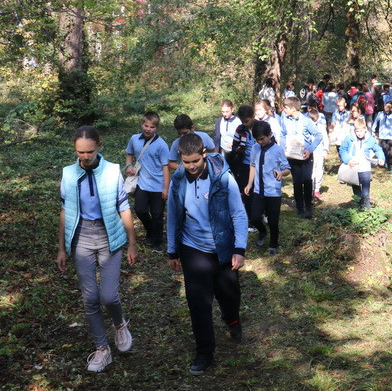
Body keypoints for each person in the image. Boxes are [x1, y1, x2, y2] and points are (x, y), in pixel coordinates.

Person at [57, 125, 138, 373]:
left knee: (109, 296)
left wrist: (132, 243)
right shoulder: (68, 174)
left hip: (109, 236)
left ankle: (119, 324)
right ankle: (102, 349)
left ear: (99, 146)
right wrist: (61, 248)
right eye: (80, 152)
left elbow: (123, 207)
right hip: (81, 237)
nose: (85, 156)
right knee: (90, 298)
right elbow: (64, 211)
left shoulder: (112, 171)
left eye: (90, 151)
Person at [166, 133, 248, 375]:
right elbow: (173, 216)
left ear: (204, 154)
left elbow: (238, 213)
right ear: (180, 158)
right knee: (198, 302)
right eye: (186, 162)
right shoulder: (178, 180)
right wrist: (172, 250)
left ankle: (232, 319)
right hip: (192, 247)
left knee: (229, 294)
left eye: (195, 161)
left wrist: (239, 249)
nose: (191, 166)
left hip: (222, 247)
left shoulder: (223, 178)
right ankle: (204, 351)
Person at [243, 120, 290, 257]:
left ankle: (273, 244)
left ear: (270, 135)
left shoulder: (277, 150)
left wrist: (281, 173)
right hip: (259, 190)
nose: (260, 142)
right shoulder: (255, 148)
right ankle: (262, 231)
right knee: (254, 217)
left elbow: (287, 168)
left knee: (273, 220)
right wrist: (249, 184)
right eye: (257, 140)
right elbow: (253, 165)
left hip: (273, 191)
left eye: (262, 139)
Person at [124, 111, 169, 252]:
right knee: (140, 210)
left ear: (156, 128)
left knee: (157, 214)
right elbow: (129, 153)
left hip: (158, 185)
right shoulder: (134, 139)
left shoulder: (161, 145)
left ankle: (157, 241)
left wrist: (165, 188)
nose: (148, 129)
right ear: (141, 124)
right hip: (142, 183)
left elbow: (166, 167)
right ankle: (150, 230)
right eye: (146, 126)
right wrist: (129, 166)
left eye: (152, 127)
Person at [279, 96, 323, 219]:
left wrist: (310, 150)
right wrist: (283, 148)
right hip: (292, 156)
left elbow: (318, 135)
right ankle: (300, 209)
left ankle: (308, 207)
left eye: (286, 108)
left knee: (307, 180)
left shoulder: (306, 121)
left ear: (293, 109)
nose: (284, 110)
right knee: (297, 182)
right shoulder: (285, 120)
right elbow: (282, 135)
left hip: (305, 156)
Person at [339, 118, 385, 210]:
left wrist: (381, 158)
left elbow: (378, 149)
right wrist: (348, 160)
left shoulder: (370, 139)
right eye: (357, 131)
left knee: (366, 188)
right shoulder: (349, 138)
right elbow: (342, 150)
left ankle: (366, 207)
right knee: (355, 186)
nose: (359, 133)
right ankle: (359, 203)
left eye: (361, 131)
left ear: (365, 129)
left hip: (365, 167)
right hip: (353, 166)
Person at [309, 107, 330, 198]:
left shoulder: (321, 127)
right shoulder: (306, 127)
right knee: (311, 171)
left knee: (319, 170)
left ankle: (317, 189)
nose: (314, 122)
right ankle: (310, 188)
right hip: (310, 152)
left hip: (319, 152)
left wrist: (325, 150)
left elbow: (325, 139)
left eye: (315, 119)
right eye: (312, 119)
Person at [213, 100, 241, 165]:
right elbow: (217, 137)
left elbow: (242, 137)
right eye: (223, 112)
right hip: (223, 150)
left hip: (234, 152)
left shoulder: (238, 122)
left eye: (227, 111)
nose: (225, 114)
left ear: (232, 110)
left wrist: (235, 143)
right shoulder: (220, 121)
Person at [373, 100, 392, 172]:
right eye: (385, 106)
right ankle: (386, 162)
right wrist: (373, 130)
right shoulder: (380, 114)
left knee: (391, 152)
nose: (386, 107)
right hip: (382, 136)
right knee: (384, 150)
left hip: (390, 137)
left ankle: (390, 165)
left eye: (388, 106)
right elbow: (375, 122)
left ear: (391, 108)